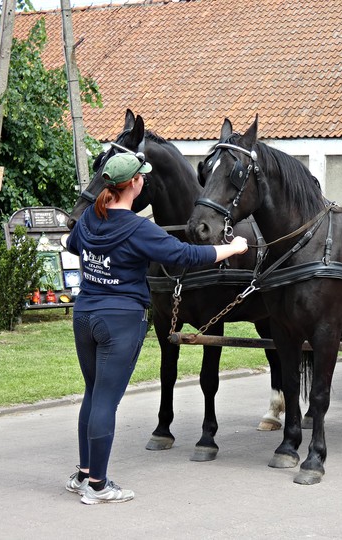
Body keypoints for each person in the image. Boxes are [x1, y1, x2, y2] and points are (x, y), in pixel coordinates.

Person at [65, 153, 248, 505]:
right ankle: (99, 486)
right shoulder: (137, 228)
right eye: (141, 178)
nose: (144, 181)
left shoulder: (90, 217)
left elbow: (73, 244)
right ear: (133, 184)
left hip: (85, 314)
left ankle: (84, 474)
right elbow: (186, 256)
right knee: (105, 400)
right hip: (119, 320)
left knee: (92, 394)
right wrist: (232, 248)